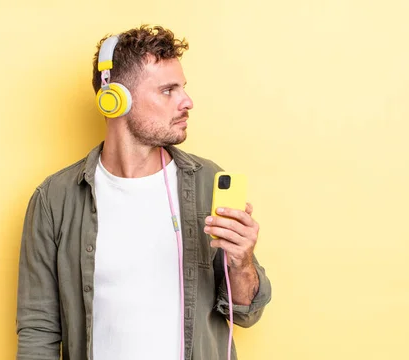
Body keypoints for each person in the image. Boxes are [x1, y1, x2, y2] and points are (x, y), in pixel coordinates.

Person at [15, 25, 271, 360]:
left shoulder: (207, 181)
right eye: (168, 90)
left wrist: (242, 261)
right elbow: (38, 329)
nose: (187, 101)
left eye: (183, 88)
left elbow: (246, 312)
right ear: (115, 99)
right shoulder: (55, 199)